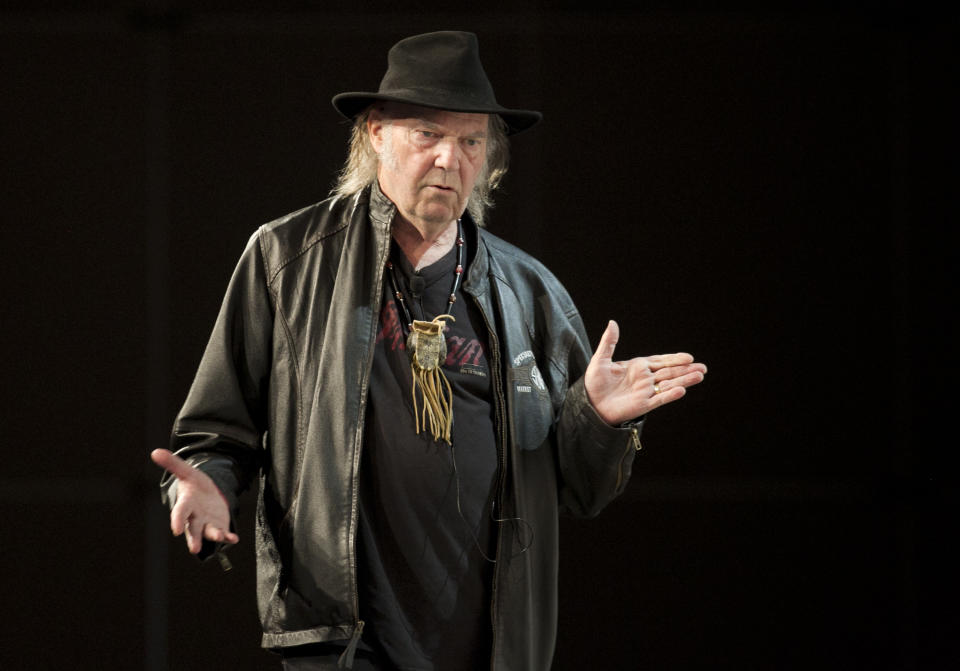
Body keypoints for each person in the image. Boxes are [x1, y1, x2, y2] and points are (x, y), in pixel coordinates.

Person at [151, 30, 706, 671]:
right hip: (343, 639)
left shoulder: (530, 292)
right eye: (427, 134)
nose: (449, 159)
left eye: (471, 142)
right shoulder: (288, 261)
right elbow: (216, 435)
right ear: (374, 134)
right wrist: (208, 489)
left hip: (492, 644)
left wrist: (600, 420)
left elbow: (582, 491)